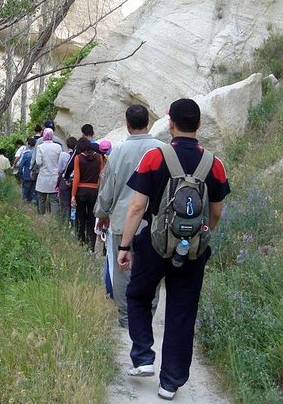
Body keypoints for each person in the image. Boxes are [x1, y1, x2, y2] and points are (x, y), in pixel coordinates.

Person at [117, 98, 230, 400]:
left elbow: (137, 206)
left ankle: (143, 357)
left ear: (171, 124)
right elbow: (216, 212)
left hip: (154, 244)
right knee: (182, 311)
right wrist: (199, 237)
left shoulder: (155, 156)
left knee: (138, 295)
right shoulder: (215, 164)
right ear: (199, 125)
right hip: (192, 250)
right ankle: (170, 382)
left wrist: (124, 245)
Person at [94, 104, 163, 328]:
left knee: (123, 271)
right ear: (148, 122)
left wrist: (102, 213)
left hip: (122, 220)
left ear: (127, 123)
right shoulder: (163, 150)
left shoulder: (118, 152)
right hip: (153, 224)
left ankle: (126, 317)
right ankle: (148, 314)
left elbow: (108, 189)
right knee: (151, 271)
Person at [71, 136, 104, 252]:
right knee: (91, 218)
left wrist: (73, 195)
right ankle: (92, 244)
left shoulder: (78, 158)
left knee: (80, 218)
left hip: (81, 191)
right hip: (94, 191)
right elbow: (101, 175)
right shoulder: (99, 157)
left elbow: (77, 178)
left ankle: (81, 241)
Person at [35, 128, 62, 214]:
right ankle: (54, 219)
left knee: (41, 198)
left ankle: (41, 216)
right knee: (54, 200)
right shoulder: (58, 147)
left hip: (43, 175)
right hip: (55, 176)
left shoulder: (40, 147)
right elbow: (60, 161)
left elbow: (38, 162)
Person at [58, 137, 77, 222]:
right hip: (75, 180)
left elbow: (60, 170)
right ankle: (74, 223)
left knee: (65, 203)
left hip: (65, 179)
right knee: (74, 203)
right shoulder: (78, 155)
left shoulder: (63, 155)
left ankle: (65, 223)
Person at [18, 138, 37, 202]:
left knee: (26, 191)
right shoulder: (37, 154)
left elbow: (20, 165)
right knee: (34, 191)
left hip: (27, 175)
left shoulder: (27, 154)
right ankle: (33, 204)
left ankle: (26, 205)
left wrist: (20, 174)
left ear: (29, 145)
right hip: (35, 175)